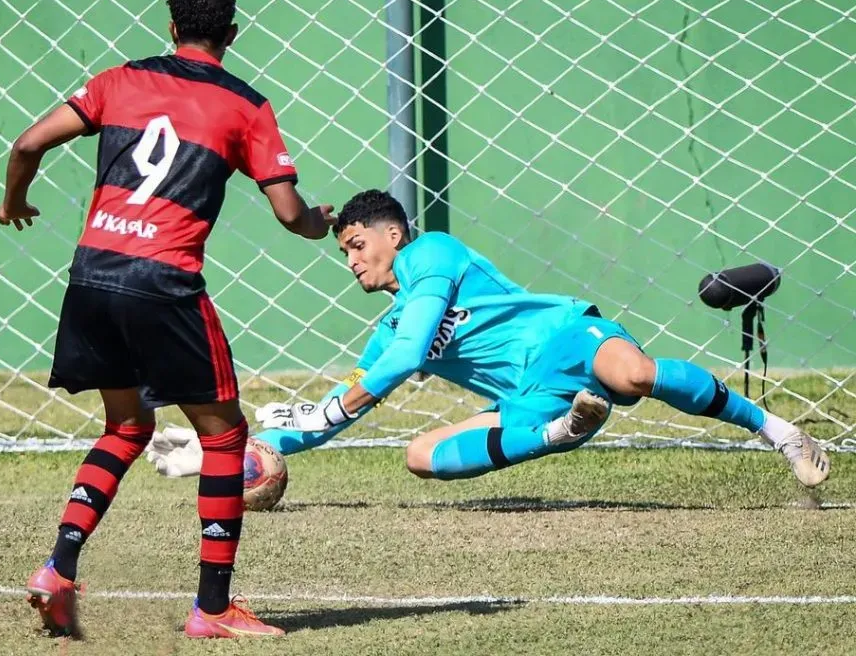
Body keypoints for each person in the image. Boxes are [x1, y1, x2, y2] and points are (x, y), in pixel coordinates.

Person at [0, 0, 333, 639]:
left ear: (171, 26)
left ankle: (58, 568)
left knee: (126, 427)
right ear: (231, 33)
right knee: (225, 436)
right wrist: (318, 224)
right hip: (163, 282)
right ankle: (213, 609)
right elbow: (289, 211)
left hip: (92, 274)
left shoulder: (118, 80)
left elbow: (28, 142)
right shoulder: (246, 106)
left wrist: (14, 201)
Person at [147, 189, 829, 491]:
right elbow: (339, 411)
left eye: (356, 244)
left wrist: (336, 405)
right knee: (418, 457)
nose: (351, 260)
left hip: (565, 335)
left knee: (633, 374)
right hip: (529, 399)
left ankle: (780, 432)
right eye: (346, 252)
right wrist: (224, 452)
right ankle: (558, 430)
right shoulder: (389, 329)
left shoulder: (433, 254)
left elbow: (403, 359)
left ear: (393, 234)